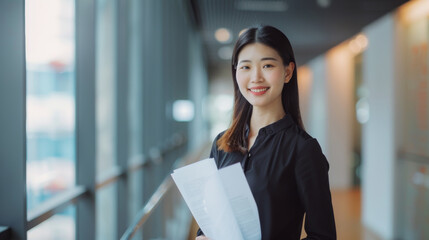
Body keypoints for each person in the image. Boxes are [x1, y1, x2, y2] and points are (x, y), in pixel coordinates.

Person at [196, 25, 336, 240]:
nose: (256, 78)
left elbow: (323, 236)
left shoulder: (303, 149)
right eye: (245, 67)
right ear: (236, 73)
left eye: (267, 65)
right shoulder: (221, 144)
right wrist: (203, 236)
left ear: (288, 72)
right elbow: (211, 218)